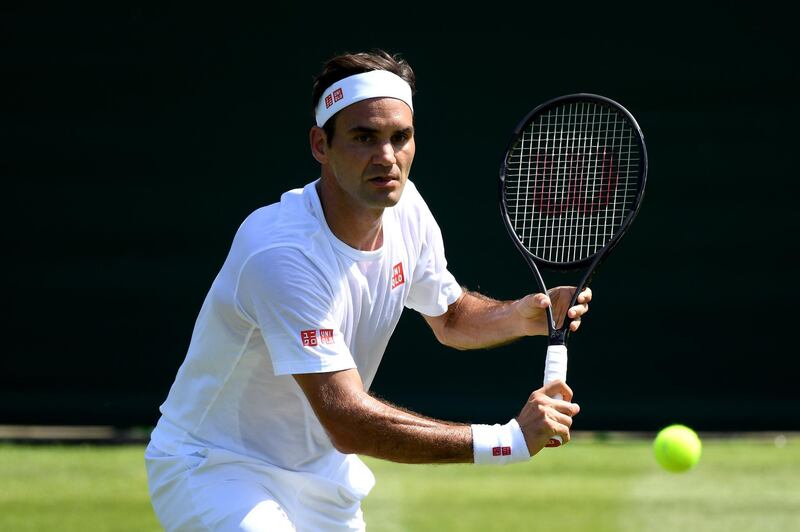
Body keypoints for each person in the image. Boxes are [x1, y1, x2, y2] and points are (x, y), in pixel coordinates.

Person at [145, 49, 592, 531]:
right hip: (215, 466)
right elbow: (346, 419)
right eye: (364, 137)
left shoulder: (408, 209)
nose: (386, 158)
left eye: (400, 137)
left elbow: (451, 317)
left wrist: (523, 316)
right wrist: (506, 440)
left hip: (322, 477)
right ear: (321, 144)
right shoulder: (281, 252)